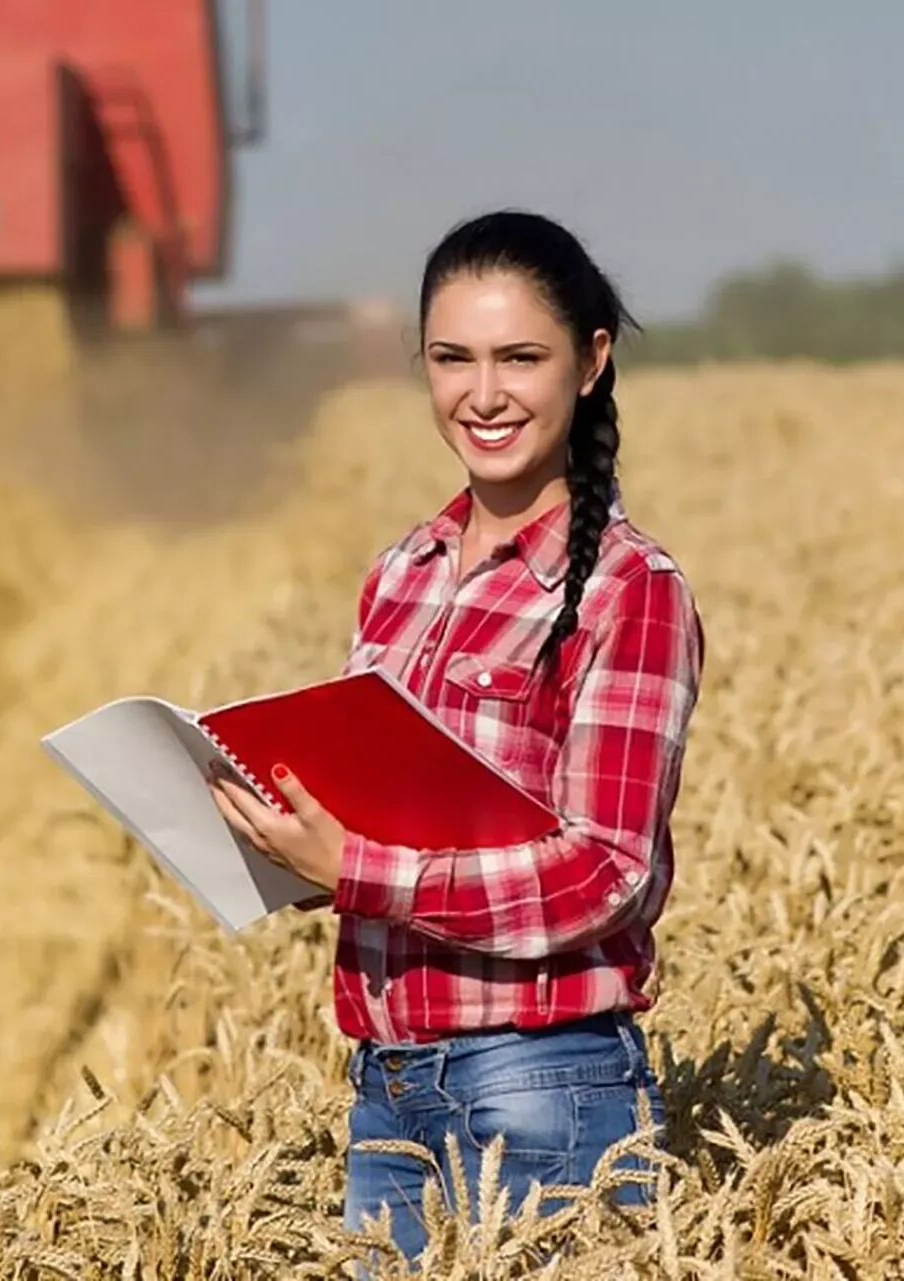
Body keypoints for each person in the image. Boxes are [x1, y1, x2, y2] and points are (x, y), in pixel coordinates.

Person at [208, 210, 705, 1266]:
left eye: (520, 357)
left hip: (544, 1092)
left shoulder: (629, 590)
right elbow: (387, 827)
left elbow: (606, 874)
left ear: (590, 363)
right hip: (387, 1092)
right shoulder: (401, 573)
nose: (483, 394)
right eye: (453, 359)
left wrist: (358, 870)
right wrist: (282, 849)